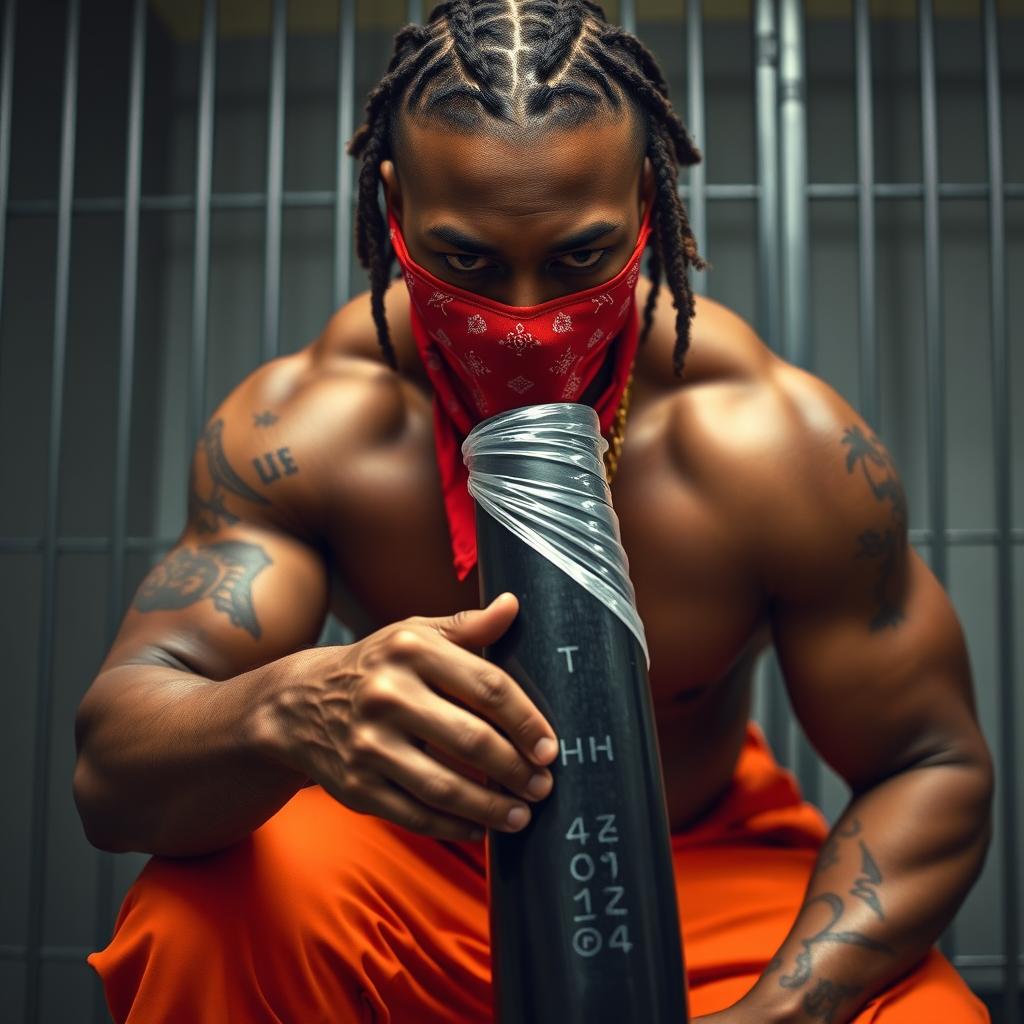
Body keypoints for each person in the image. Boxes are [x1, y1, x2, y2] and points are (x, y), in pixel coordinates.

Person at [78, 2, 994, 1021]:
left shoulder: (774, 444)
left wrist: (785, 1010)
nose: (521, 321)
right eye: (466, 261)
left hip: (701, 874)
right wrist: (293, 708)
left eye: (576, 258)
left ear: (647, 199)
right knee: (196, 919)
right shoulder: (311, 427)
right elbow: (112, 767)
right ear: (394, 205)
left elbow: (933, 761)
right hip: (412, 864)